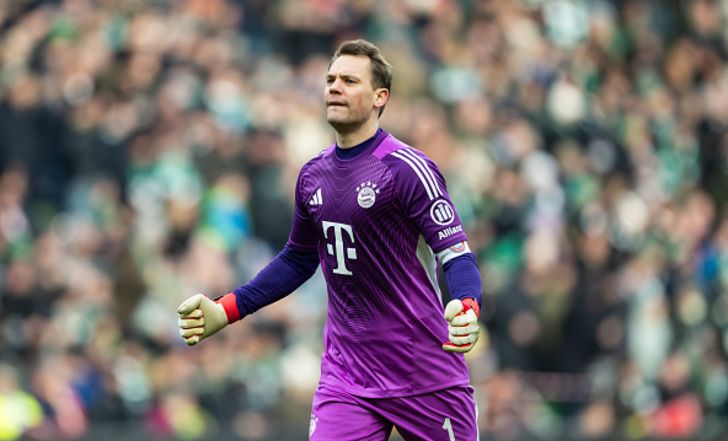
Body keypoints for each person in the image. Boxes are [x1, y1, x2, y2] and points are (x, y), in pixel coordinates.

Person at [177, 39, 483, 440]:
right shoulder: (312, 176)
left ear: (380, 97)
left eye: (349, 81)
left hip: (423, 370)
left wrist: (467, 304)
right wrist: (227, 309)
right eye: (331, 80)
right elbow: (297, 260)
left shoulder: (408, 169)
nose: (335, 87)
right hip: (348, 377)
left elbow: (456, 254)